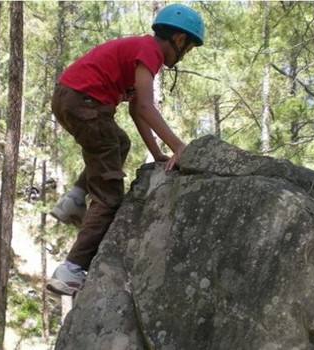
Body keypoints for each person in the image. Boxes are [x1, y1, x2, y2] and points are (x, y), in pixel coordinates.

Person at [46, 4, 204, 296]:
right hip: (87, 104)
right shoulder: (151, 51)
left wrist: (157, 153)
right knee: (109, 197)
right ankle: (70, 270)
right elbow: (146, 106)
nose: (184, 57)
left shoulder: (139, 51)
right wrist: (179, 147)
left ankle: (74, 199)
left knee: (119, 142)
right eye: (189, 48)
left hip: (69, 99)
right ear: (180, 40)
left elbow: (135, 110)